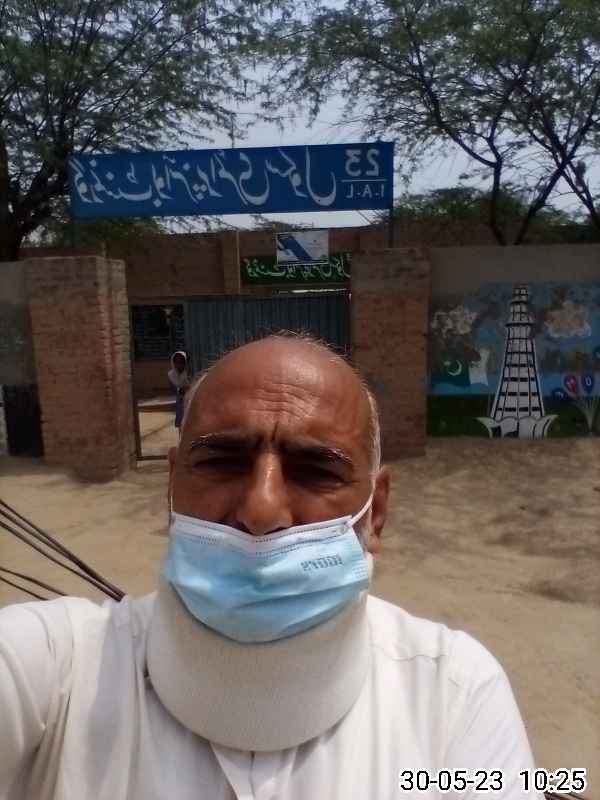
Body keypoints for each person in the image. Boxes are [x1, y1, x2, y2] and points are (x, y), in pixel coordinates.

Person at [0, 333, 544, 799]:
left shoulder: (455, 693)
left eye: (315, 470)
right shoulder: (57, 670)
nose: (261, 509)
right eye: (221, 461)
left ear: (375, 513)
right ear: (171, 487)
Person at [168, 350, 191, 437]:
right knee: (181, 422)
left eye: (181, 361)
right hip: (180, 401)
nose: (179, 364)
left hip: (190, 400)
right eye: (177, 362)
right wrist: (180, 390)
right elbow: (172, 389)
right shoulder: (171, 375)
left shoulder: (189, 372)